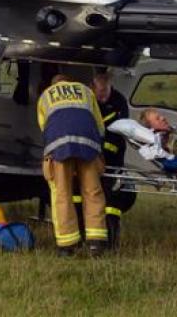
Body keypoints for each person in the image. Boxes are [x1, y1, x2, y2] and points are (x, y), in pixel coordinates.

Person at [37, 74, 108, 256]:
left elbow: (44, 126)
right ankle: (96, 243)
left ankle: (67, 245)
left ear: (54, 84)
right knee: (93, 191)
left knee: (62, 193)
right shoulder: (85, 91)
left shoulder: (46, 95)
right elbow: (100, 125)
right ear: (69, 81)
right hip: (88, 144)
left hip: (59, 146)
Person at [91, 70, 136, 250]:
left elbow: (121, 132)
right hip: (92, 157)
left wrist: (105, 151)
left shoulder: (119, 101)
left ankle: (111, 241)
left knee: (112, 201)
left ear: (110, 86)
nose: (102, 98)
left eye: (104, 93)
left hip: (113, 158)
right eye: (99, 94)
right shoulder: (91, 100)